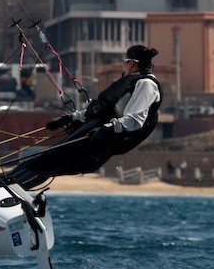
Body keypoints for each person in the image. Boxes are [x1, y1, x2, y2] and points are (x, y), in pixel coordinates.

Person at [9, 44, 162, 191]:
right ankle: (6, 181)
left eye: (124, 62)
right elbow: (100, 110)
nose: (123, 67)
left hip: (104, 141)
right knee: (47, 158)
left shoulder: (147, 85)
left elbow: (135, 120)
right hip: (95, 131)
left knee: (52, 162)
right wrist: (69, 118)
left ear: (131, 64)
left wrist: (106, 129)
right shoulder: (132, 82)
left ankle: (10, 186)